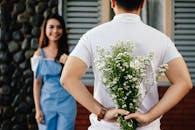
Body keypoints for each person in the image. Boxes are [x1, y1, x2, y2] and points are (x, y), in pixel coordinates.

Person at [60, 0, 192, 130]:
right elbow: (184, 82)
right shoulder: (161, 39)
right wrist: (149, 116)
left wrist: (102, 112)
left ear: (112, 2)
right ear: (143, 4)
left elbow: (68, 78)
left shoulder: (92, 36)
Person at [31, 14, 76, 130]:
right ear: (45, 29)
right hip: (46, 103)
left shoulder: (70, 52)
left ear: (63, 30)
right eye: (51, 27)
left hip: (67, 102)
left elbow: (77, 77)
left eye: (59, 27)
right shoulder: (39, 54)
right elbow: (37, 83)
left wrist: (69, 63)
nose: (55, 31)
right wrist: (38, 109)